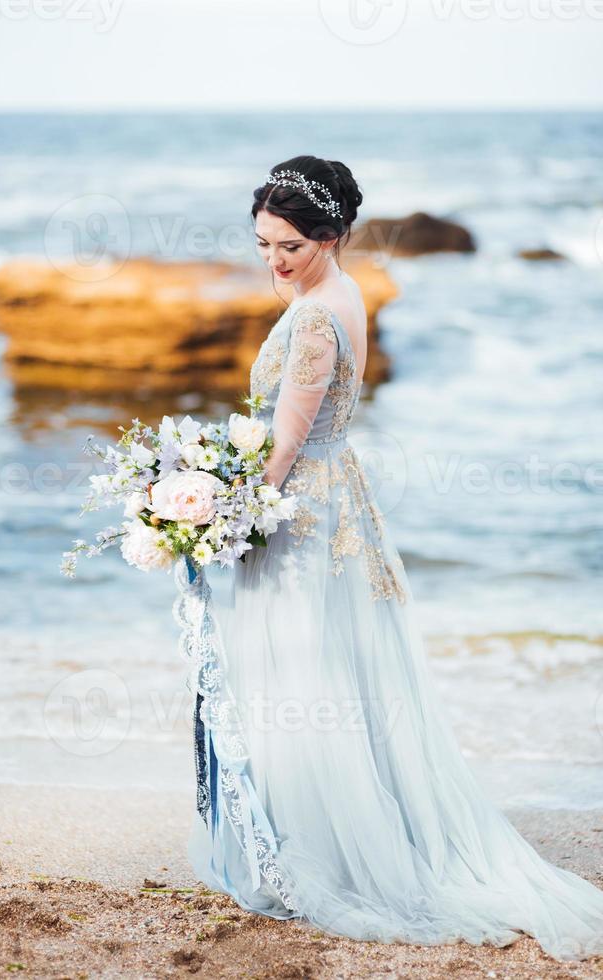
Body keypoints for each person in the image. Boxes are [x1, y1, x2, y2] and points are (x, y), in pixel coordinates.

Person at [185, 155, 603, 960]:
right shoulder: (334, 292)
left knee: (304, 671)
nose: (273, 260)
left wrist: (226, 516)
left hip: (302, 507)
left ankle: (323, 850)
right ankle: (326, 829)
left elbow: (285, 442)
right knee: (336, 671)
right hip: (339, 496)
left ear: (332, 236)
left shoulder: (312, 318)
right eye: (263, 243)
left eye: (289, 247)